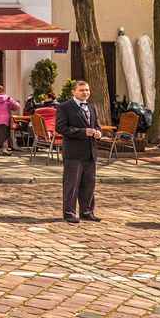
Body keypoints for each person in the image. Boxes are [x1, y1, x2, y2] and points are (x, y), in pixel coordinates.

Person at [55, 80, 103, 224]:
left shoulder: (92, 107)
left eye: (87, 90)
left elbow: (96, 125)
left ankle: (87, 211)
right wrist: (83, 132)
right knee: (72, 184)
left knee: (89, 183)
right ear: (73, 92)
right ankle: (69, 213)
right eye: (82, 90)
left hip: (90, 151)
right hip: (74, 153)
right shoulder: (65, 107)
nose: (85, 92)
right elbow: (61, 128)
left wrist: (98, 132)